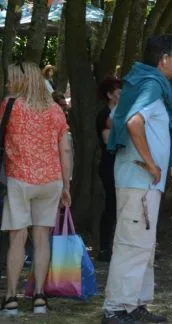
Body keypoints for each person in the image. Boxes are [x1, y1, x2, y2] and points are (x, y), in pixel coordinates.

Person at [103, 34, 172, 324]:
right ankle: (116, 309)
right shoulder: (151, 85)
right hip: (139, 179)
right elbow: (133, 122)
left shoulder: (147, 83)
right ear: (163, 59)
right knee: (132, 245)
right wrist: (152, 164)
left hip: (142, 181)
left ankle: (134, 305)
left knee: (143, 246)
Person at [0, 62, 72, 315]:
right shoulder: (54, 110)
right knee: (42, 238)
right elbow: (65, 148)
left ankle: (11, 298)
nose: (8, 83)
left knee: (17, 238)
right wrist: (67, 184)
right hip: (51, 180)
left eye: (11, 79)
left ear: (21, 80)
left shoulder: (9, 105)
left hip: (19, 178)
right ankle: (39, 297)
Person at [96, 77, 122, 262]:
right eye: (118, 91)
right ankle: (105, 247)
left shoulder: (120, 112)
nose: (122, 94)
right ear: (109, 94)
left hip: (119, 165)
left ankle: (116, 245)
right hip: (109, 165)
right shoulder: (105, 114)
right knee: (112, 205)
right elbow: (108, 140)